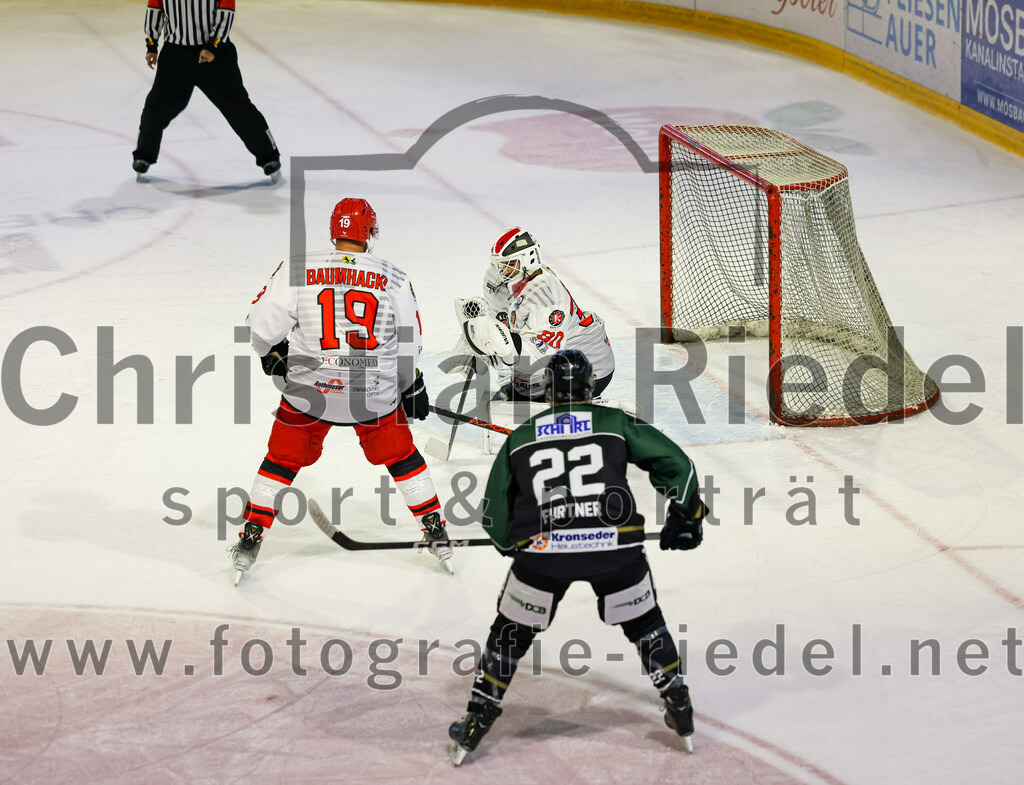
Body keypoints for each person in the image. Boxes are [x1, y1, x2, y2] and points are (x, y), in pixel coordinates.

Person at [447, 349, 706, 764]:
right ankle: (680, 704)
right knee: (645, 624)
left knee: (511, 631)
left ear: (547, 392)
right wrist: (687, 512)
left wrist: (511, 543)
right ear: (591, 388)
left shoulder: (522, 436)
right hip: (616, 550)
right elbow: (678, 464)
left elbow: (494, 513)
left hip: (545, 555)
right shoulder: (615, 423)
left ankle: (477, 721)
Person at [229, 198, 452, 582]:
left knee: (281, 460)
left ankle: (250, 537)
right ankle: (436, 530)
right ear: (369, 233)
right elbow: (409, 341)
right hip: (372, 393)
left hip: (311, 390)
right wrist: (410, 383)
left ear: (334, 229)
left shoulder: (297, 267)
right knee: (401, 457)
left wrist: (271, 353)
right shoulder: (393, 275)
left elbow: (262, 326)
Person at [457, 227, 615, 401]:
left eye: (509, 265)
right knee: (516, 390)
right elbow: (505, 324)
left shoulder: (547, 299)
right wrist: (480, 340)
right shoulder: (519, 279)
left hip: (591, 368)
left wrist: (498, 343)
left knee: (521, 395)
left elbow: (540, 354)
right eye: (501, 266)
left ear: (528, 259)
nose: (503, 272)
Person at [132, 0, 281, 180]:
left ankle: (268, 157)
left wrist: (213, 46)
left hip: (214, 58)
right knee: (156, 106)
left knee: (237, 107)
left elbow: (226, 10)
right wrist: (151, 45)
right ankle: (143, 155)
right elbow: (155, 8)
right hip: (175, 57)